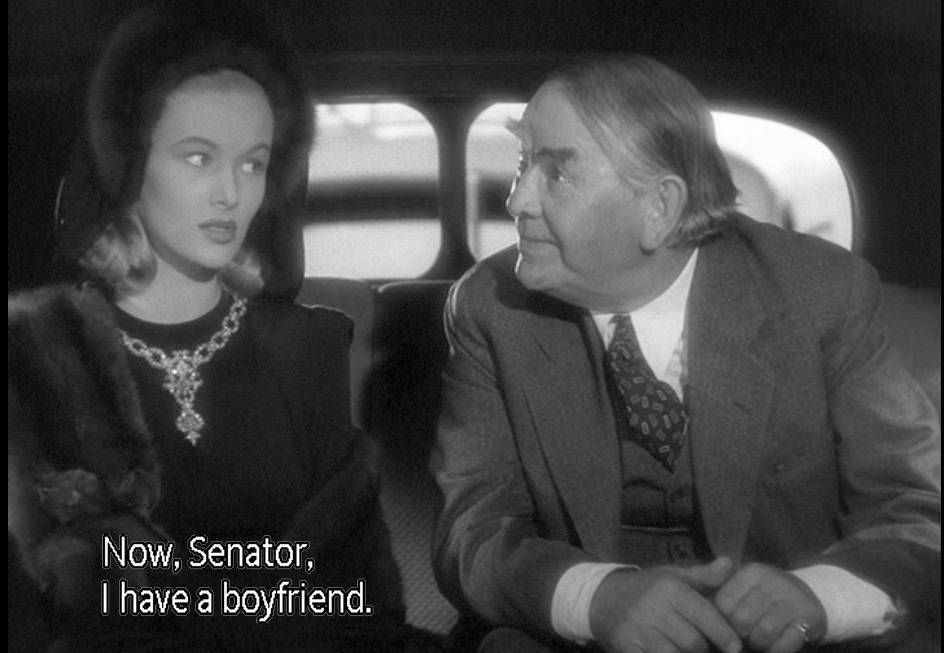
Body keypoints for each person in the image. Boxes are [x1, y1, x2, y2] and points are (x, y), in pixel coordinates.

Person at [431, 55, 940, 653]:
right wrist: (597, 599)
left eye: (557, 173)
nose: (517, 200)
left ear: (661, 208)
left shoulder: (821, 292)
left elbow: (917, 507)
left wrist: (820, 597)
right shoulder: (489, 308)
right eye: (523, 162)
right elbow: (473, 531)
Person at [7, 2, 414, 650]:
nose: (231, 191)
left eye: (253, 163)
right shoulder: (38, 352)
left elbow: (361, 599)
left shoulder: (308, 348)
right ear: (129, 162)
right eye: (199, 158)